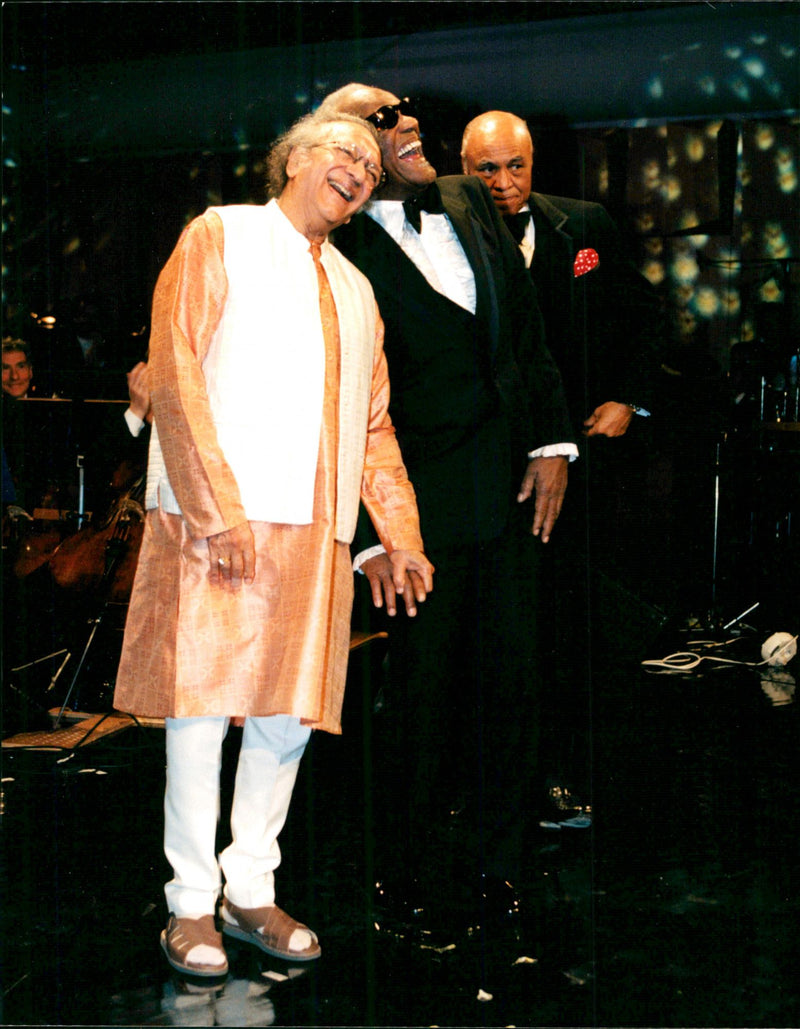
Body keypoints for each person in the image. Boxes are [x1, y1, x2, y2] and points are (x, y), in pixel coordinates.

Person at [113, 109, 433, 978]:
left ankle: (249, 887)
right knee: (201, 713)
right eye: (344, 151)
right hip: (221, 519)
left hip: (316, 533)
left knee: (289, 718)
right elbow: (173, 369)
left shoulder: (358, 288)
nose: (361, 170)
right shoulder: (221, 233)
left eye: (372, 165)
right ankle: (188, 903)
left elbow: (373, 430)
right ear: (291, 159)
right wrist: (216, 513)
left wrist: (396, 534)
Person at [317, 85, 576, 904]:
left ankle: (503, 856)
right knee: (421, 693)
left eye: (403, 108)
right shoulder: (331, 246)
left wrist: (550, 443)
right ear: (347, 149)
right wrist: (368, 536)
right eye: (382, 118)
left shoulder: (467, 198)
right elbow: (329, 403)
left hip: (507, 487)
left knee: (514, 676)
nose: (407, 121)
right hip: (411, 512)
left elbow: (525, 333)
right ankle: (406, 861)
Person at [461, 111, 666, 818]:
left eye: (514, 166)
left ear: (533, 164)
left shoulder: (585, 226)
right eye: (486, 168)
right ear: (464, 167)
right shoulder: (443, 235)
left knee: (567, 628)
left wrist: (628, 398)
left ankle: (555, 773)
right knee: (487, 629)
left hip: (578, 457)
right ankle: (481, 777)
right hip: (482, 460)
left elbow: (643, 315)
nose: (503, 182)